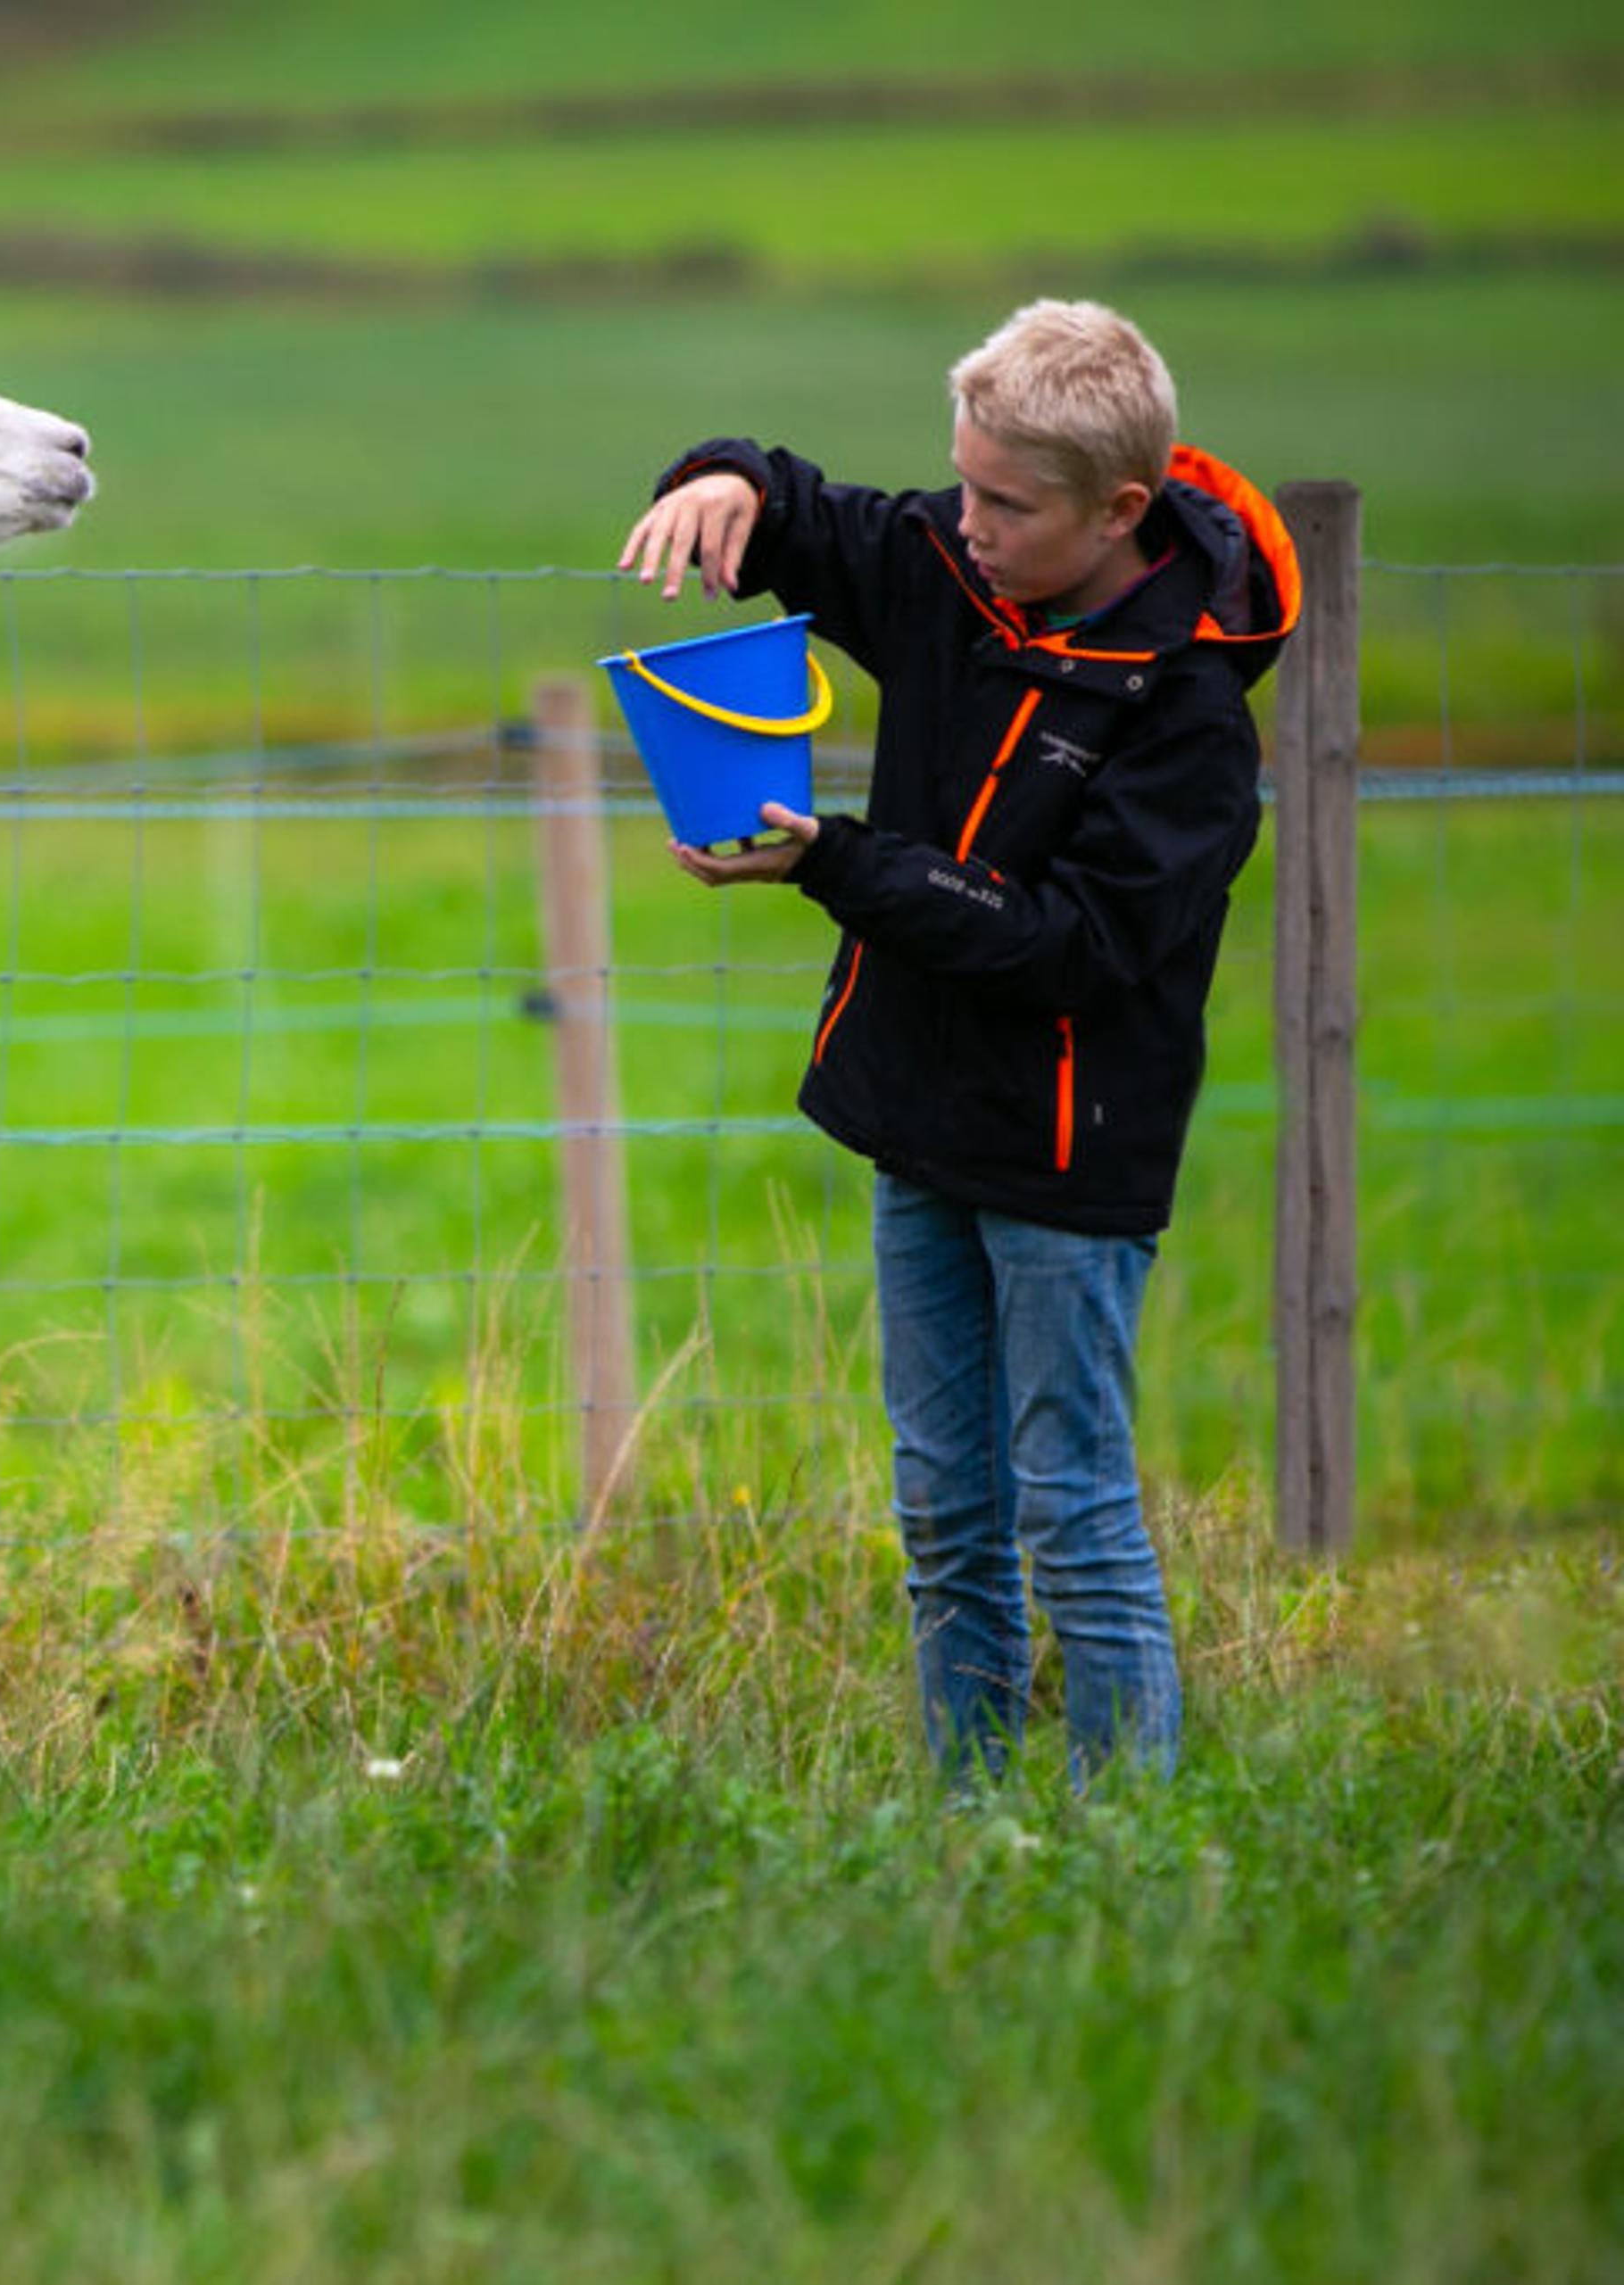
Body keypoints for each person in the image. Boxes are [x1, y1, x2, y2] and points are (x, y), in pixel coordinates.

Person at [616, 299, 1301, 1785]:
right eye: (962, 479)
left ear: (1119, 508)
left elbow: (1070, 948)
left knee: (1071, 1502)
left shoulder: (1188, 718)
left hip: (1066, 1157)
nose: (966, 522)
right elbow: (807, 514)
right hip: (916, 1124)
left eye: (1005, 500)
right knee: (941, 1502)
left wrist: (831, 863)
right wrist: (723, 473)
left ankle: (1127, 1834)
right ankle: (973, 1820)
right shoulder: (952, 570)